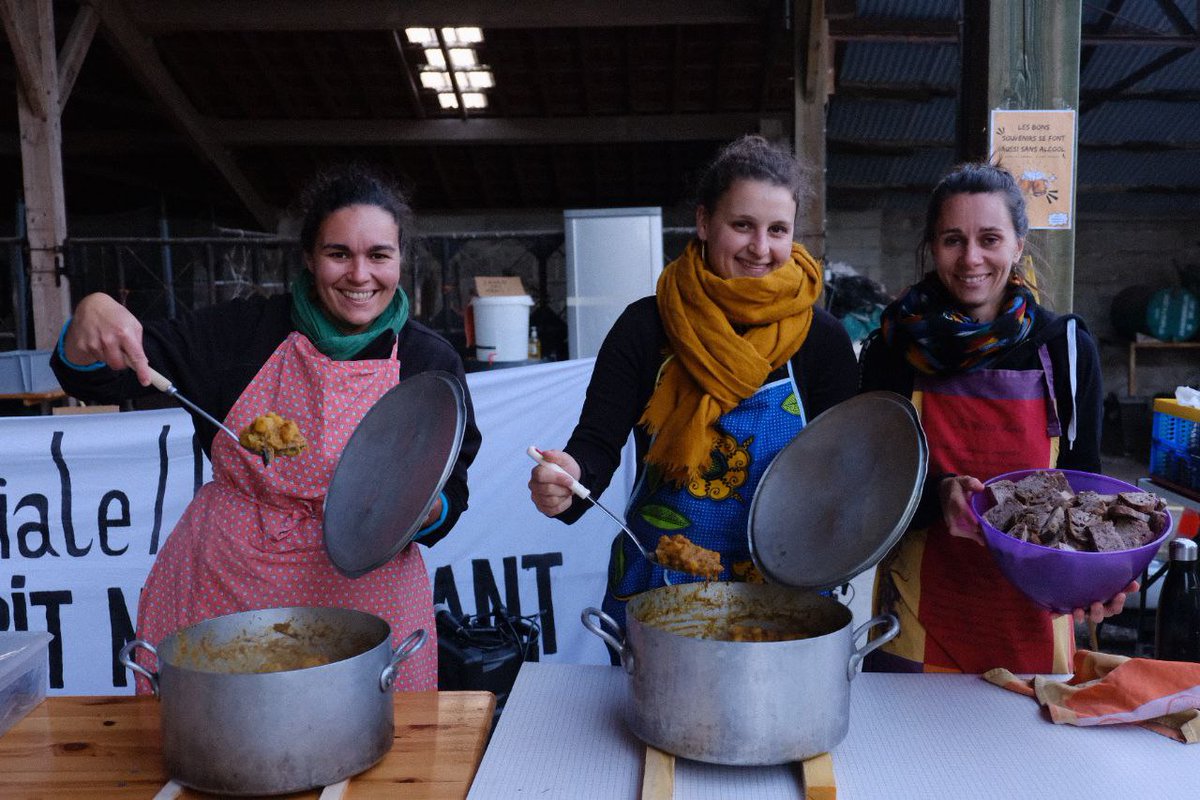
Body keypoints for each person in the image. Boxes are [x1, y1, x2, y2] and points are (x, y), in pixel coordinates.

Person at [51, 164, 481, 692]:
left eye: (379, 255)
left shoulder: (427, 361)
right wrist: (90, 316)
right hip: (225, 586)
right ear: (308, 257)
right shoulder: (240, 333)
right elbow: (101, 378)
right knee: (214, 747)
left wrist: (411, 512)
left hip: (366, 588)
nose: (360, 274)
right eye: (338, 253)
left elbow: (452, 483)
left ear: (400, 260)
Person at [528, 135, 858, 634]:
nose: (761, 248)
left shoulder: (821, 340)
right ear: (704, 222)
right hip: (659, 588)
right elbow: (596, 444)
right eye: (742, 225)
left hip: (787, 593)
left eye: (777, 229)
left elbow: (845, 472)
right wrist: (567, 478)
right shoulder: (647, 327)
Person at [858, 162, 1125, 675]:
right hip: (915, 622)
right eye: (953, 240)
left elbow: (1085, 488)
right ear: (933, 246)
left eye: (990, 238)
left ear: (1018, 244)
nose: (971, 258)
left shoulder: (1064, 347)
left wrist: (1103, 578)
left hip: (1033, 621)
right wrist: (937, 497)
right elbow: (871, 494)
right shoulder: (892, 349)